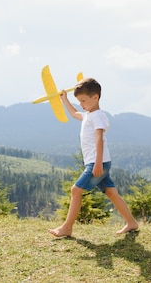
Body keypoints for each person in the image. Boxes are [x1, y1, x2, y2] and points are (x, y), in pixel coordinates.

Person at [48, 77, 139, 237]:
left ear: (95, 97)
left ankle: (67, 227)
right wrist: (64, 99)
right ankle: (131, 223)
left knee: (76, 190)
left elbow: (99, 139)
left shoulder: (98, 116)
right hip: (100, 162)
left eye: (83, 100)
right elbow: (74, 113)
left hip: (98, 163)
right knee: (111, 193)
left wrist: (97, 164)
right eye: (79, 101)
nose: (81, 105)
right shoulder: (88, 115)